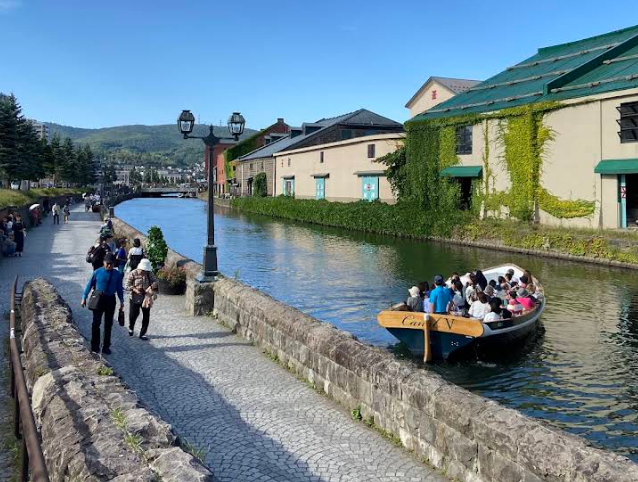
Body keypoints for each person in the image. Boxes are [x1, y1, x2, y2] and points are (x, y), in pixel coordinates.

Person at [81, 253, 124, 354]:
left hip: (110, 300)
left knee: (108, 325)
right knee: (96, 323)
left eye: (111, 264)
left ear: (114, 264)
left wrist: (122, 301)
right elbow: (89, 285)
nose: (109, 265)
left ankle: (106, 346)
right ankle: (95, 345)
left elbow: (119, 289)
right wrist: (84, 297)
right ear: (103, 262)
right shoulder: (97, 272)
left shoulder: (117, 275)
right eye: (107, 263)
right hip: (98, 300)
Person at [126, 258, 158, 340]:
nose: (144, 272)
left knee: (146, 315)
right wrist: (134, 289)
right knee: (133, 314)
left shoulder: (149, 273)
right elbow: (127, 285)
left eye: (146, 271)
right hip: (134, 297)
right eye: (143, 271)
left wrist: (151, 287)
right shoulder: (133, 273)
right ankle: (131, 327)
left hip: (146, 297)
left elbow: (155, 281)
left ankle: (143, 333)